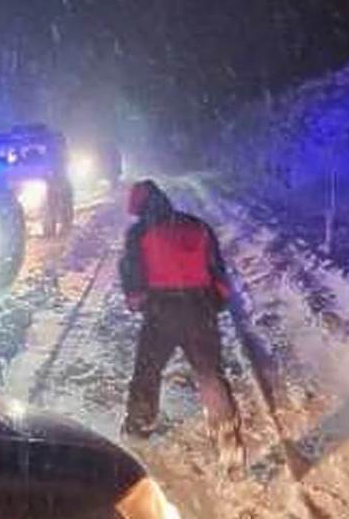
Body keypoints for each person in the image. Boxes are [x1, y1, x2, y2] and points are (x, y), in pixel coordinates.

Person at [118, 180, 245, 476]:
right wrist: (214, 303)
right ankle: (228, 442)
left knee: (147, 370)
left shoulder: (139, 233)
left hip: (161, 311)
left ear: (138, 208)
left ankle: (140, 427)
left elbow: (131, 272)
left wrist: (136, 298)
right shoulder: (197, 226)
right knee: (209, 374)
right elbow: (218, 272)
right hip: (199, 308)